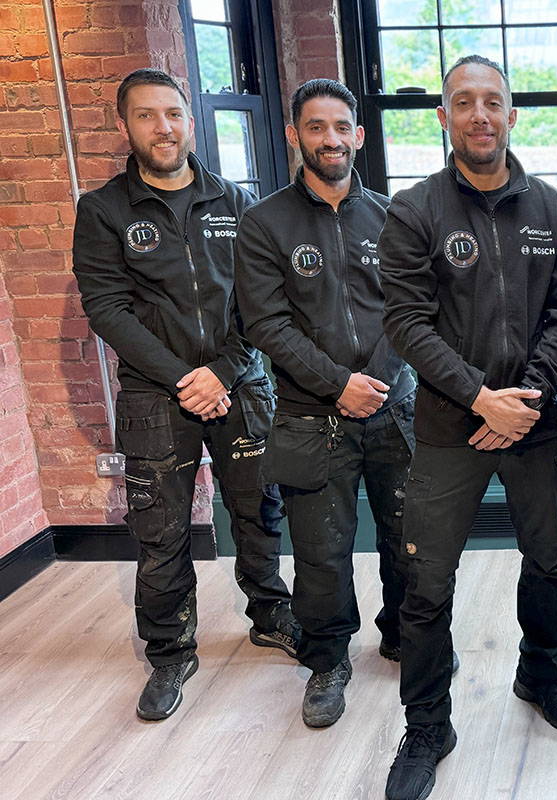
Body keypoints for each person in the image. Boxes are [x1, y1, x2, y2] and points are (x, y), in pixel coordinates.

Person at [377, 55, 557, 800]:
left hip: (532, 425)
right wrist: (479, 397)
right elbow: (405, 321)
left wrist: (521, 400)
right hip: (446, 430)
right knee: (427, 582)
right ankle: (428, 726)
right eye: (462, 103)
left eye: (491, 102)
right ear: (443, 116)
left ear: (512, 114)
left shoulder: (552, 211)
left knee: (546, 562)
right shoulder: (414, 210)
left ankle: (541, 673)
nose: (478, 115)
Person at [72, 69, 297, 721]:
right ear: (124, 126)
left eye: (172, 113)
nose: (162, 127)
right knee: (160, 529)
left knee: (258, 511)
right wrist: (182, 377)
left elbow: (263, 302)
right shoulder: (105, 210)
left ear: (190, 120)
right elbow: (107, 309)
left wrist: (223, 372)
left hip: (240, 388)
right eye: (146, 116)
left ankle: (270, 615)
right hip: (155, 397)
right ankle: (170, 653)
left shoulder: (237, 202)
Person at [235, 79, 445, 729]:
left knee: (409, 540)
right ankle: (327, 659)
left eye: (341, 127)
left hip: (396, 411)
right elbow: (265, 323)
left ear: (358, 135)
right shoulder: (263, 222)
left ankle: (404, 637)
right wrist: (338, 385)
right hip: (308, 417)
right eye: (315, 127)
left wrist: (374, 382)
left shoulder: (394, 216)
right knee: (321, 553)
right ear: (295, 135)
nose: (330, 139)